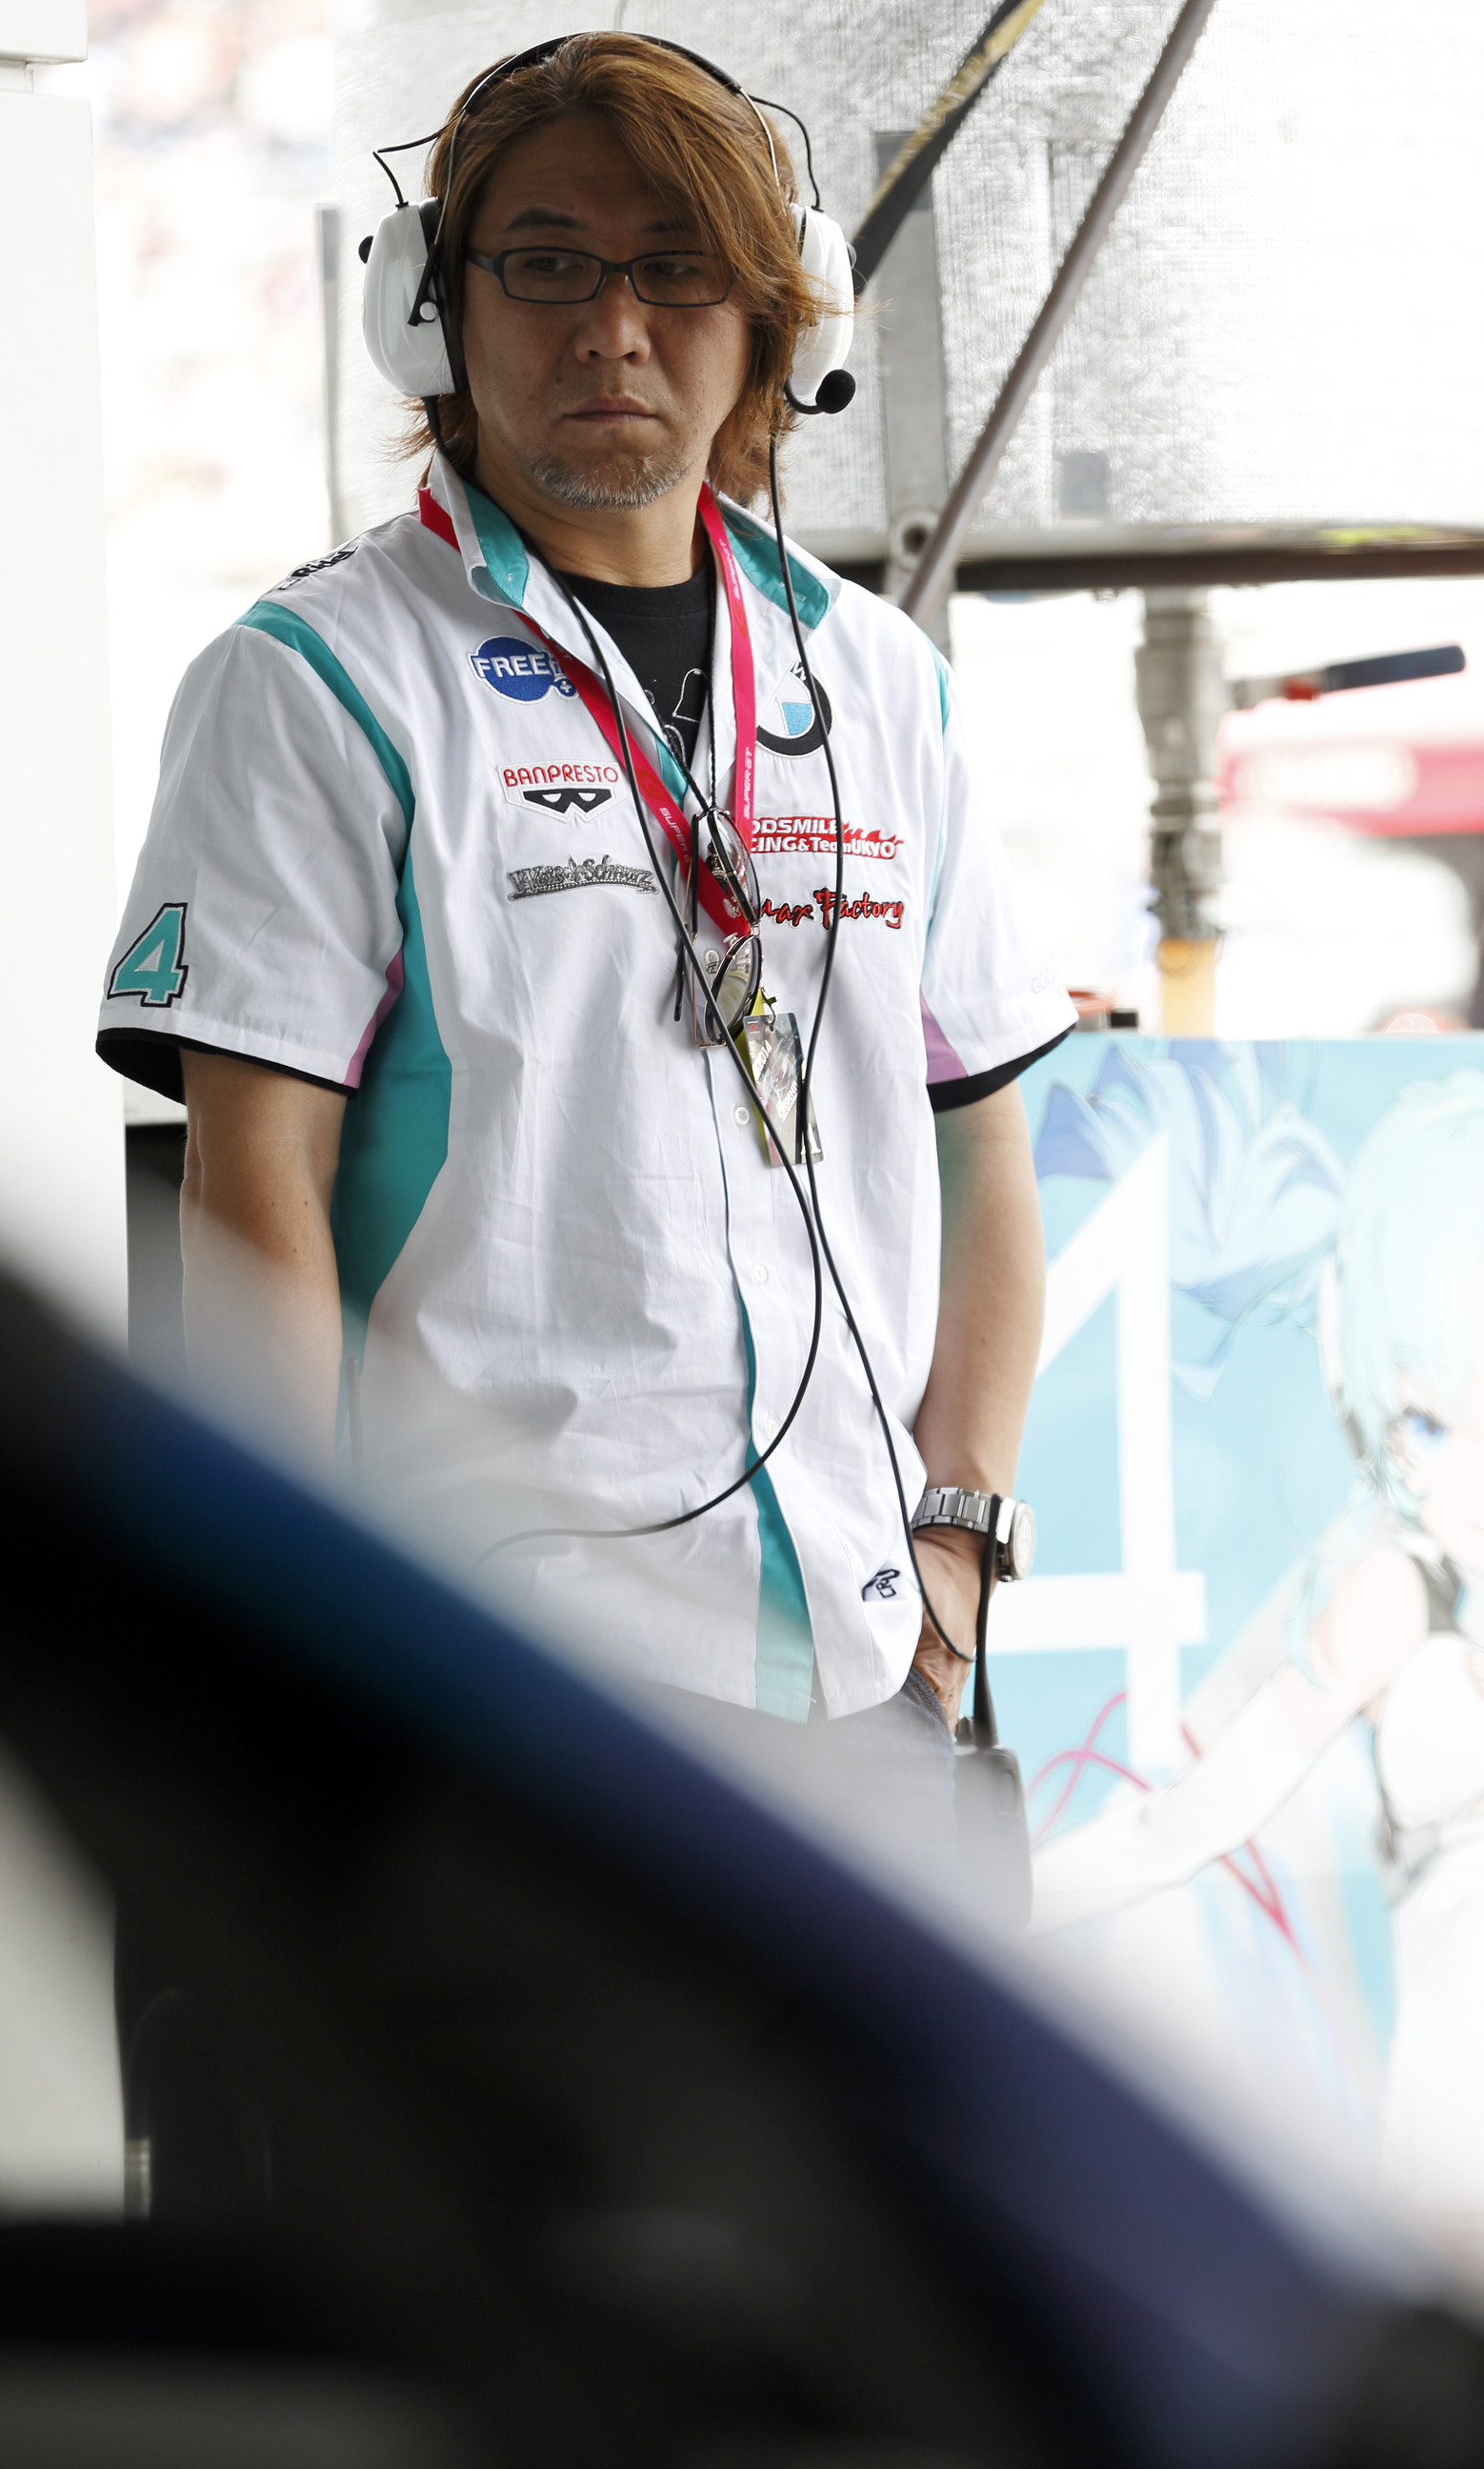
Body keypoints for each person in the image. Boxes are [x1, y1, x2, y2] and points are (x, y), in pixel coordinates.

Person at [97, 33, 1072, 1823]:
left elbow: (984, 1151)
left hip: (871, 1685)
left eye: (675, 268)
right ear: (431, 310)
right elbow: (254, 1196)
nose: (612, 327)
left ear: (776, 322)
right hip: (493, 1712)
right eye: (545, 263)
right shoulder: (314, 681)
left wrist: (954, 1572)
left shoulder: (880, 683)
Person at [1034, 1072, 1484, 2238]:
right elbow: (1182, 1823)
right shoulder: (1392, 1593)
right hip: (1466, 2216)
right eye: (1429, 1422)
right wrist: (992, 1907)